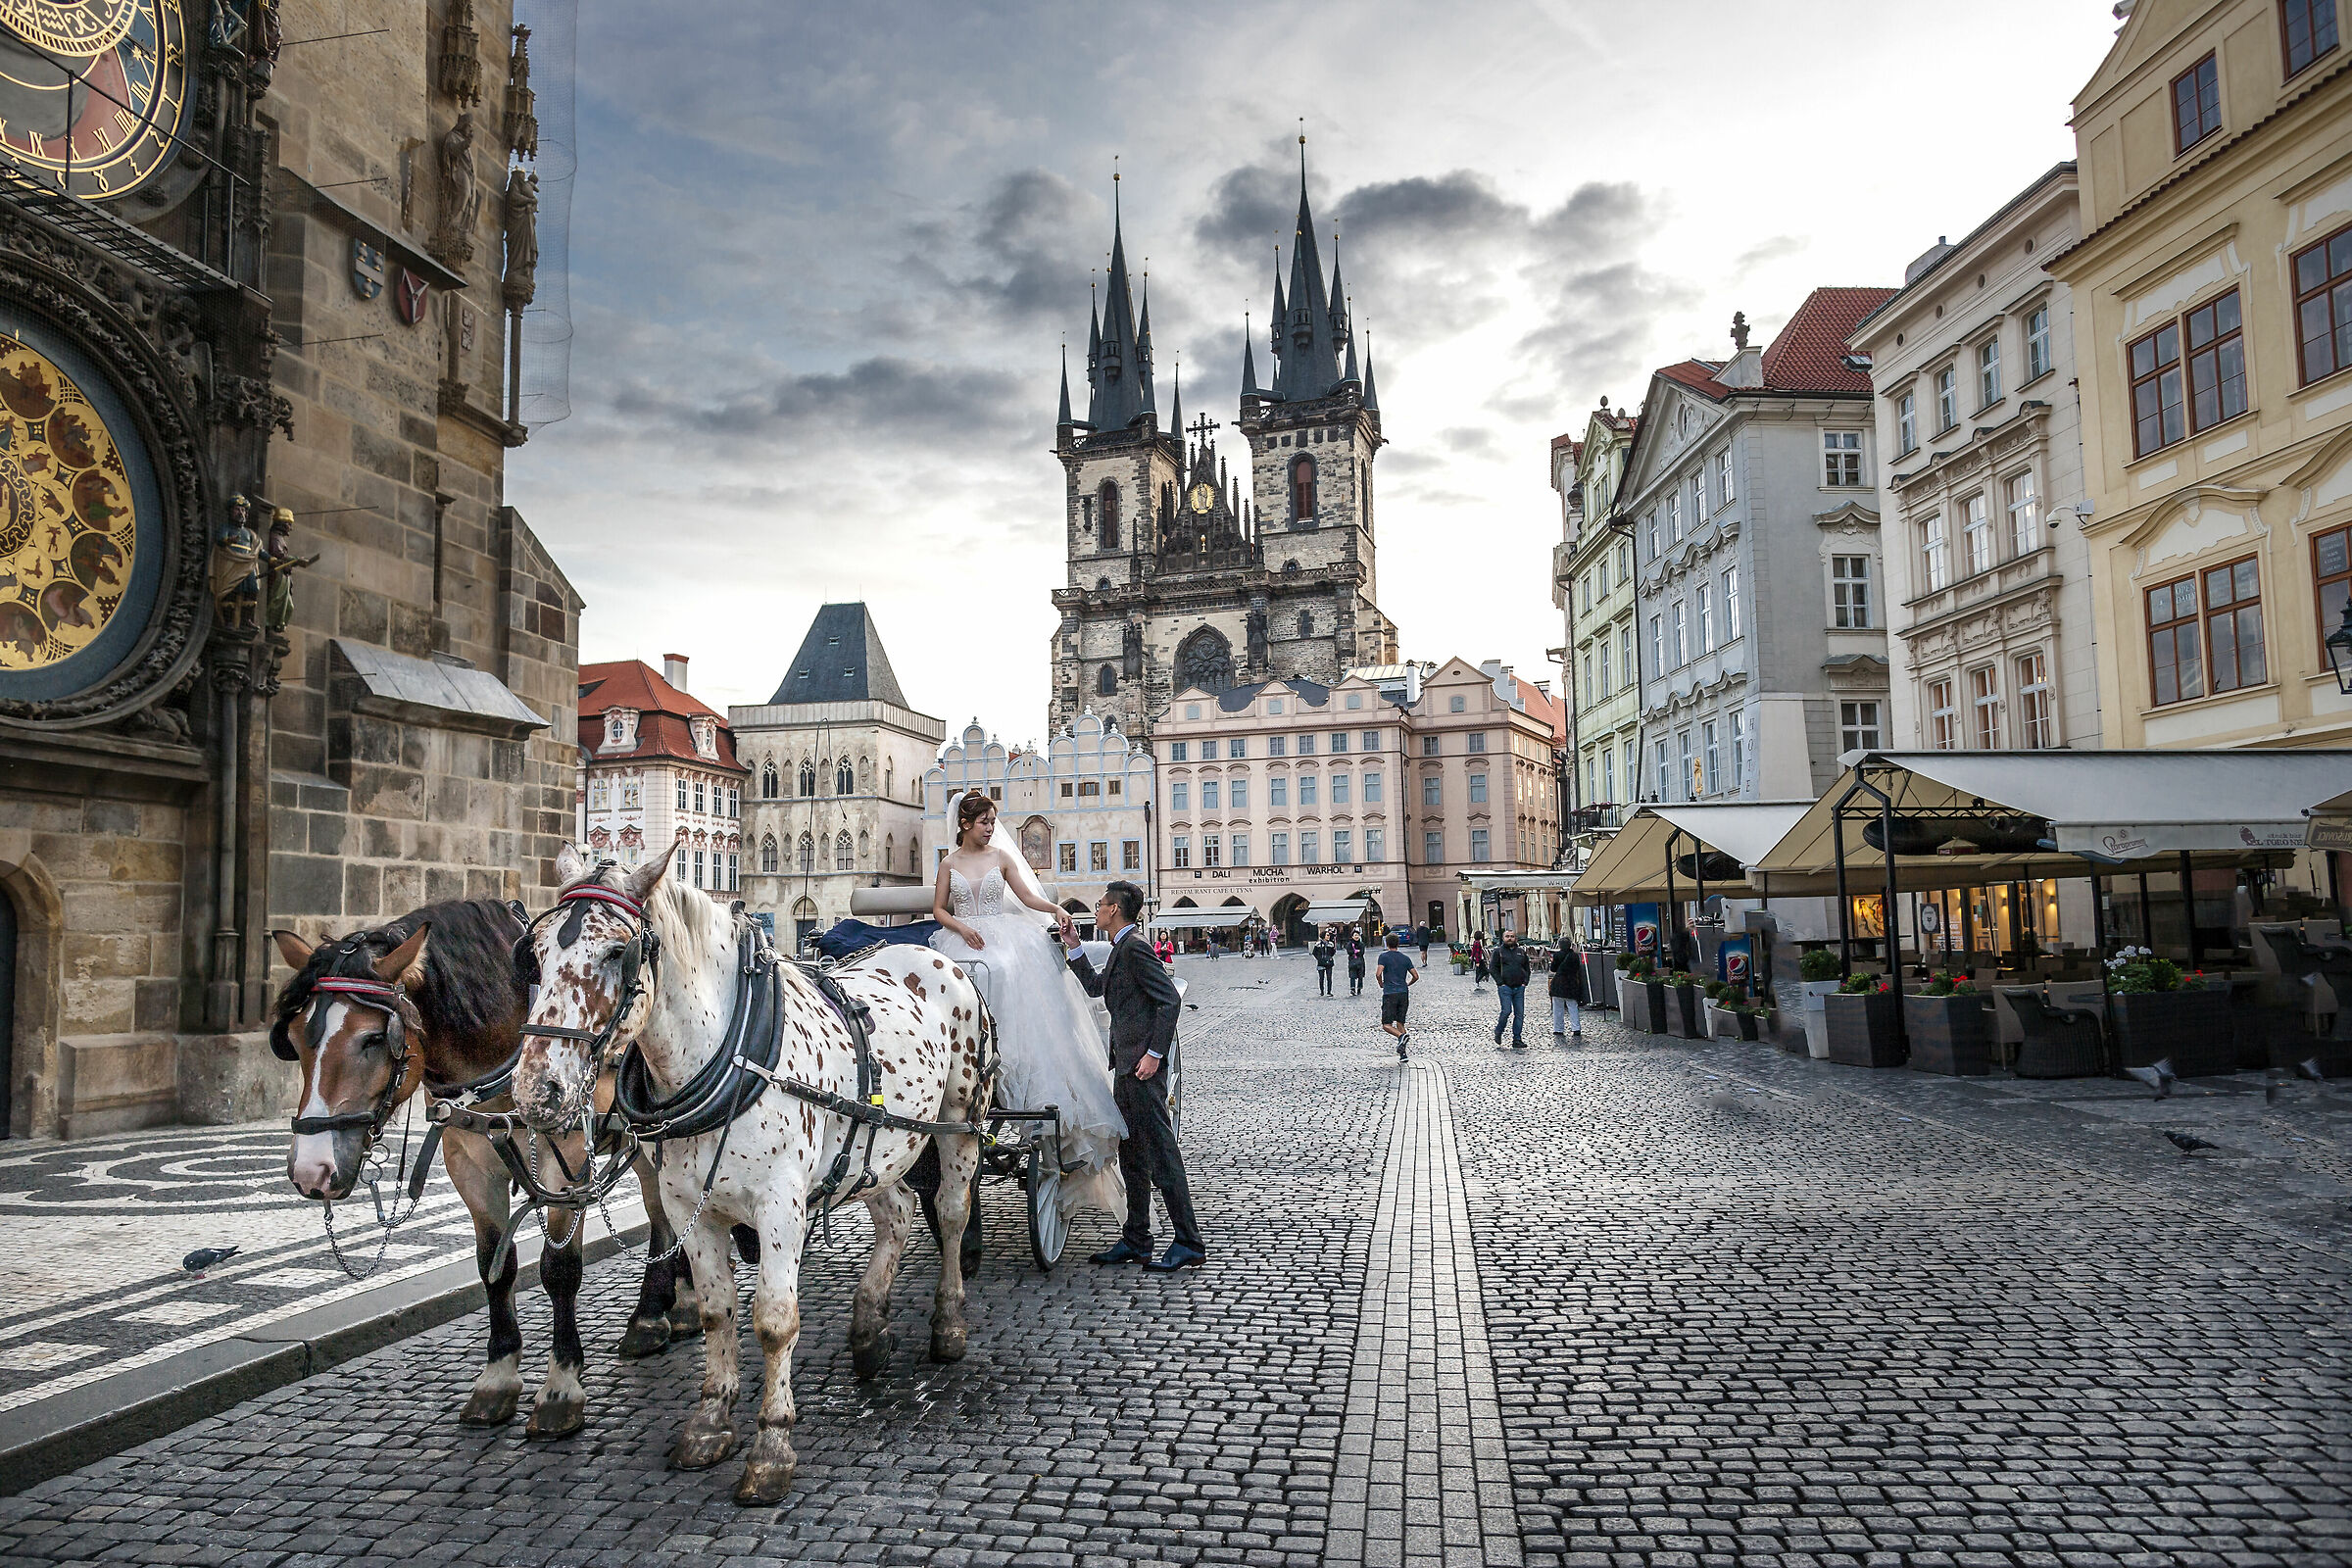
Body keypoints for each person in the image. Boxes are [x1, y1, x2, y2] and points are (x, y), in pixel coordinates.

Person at [929, 791, 1125, 1216]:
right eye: (984, 820)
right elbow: (939, 910)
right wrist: (962, 928)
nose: (990, 826)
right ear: (965, 824)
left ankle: (1006, 1054)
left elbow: (1025, 897)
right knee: (950, 977)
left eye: (992, 820)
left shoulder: (1001, 857)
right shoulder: (949, 863)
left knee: (1002, 968)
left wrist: (1054, 906)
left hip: (1002, 935)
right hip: (963, 936)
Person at [1063, 880, 1203, 1272]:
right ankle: (1137, 1239)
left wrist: (1155, 1054)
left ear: (1115, 910)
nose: (1097, 909)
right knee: (1134, 1155)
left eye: (1101, 904)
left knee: (1162, 1154)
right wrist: (1074, 945)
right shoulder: (1120, 946)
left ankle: (1189, 1242)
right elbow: (1096, 988)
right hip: (1125, 1065)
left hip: (1142, 1069)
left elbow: (1169, 999)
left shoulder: (1137, 946)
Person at [1376, 932, 1417, 1060]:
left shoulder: (1383, 957)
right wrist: (1408, 984)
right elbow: (1416, 976)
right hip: (1403, 992)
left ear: (1387, 943)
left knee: (1386, 1024)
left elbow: (1378, 973)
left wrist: (1381, 983)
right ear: (1398, 944)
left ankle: (1400, 1037)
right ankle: (1403, 1054)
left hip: (1390, 993)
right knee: (1400, 1022)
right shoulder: (1405, 958)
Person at [1490, 931, 1532, 1050]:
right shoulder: (1498, 952)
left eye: (1512, 937)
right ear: (1503, 938)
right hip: (1505, 987)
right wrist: (1500, 983)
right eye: (1507, 936)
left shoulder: (1521, 952)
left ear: (1516, 938)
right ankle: (1499, 1031)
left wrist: (1525, 982)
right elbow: (1492, 968)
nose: (1510, 938)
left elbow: (1527, 968)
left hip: (1519, 987)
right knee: (1506, 1011)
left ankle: (1517, 1039)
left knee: (1519, 1014)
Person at [1548, 937, 1588, 1041]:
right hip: (1571, 983)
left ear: (1559, 945)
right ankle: (1576, 1028)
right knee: (1572, 1006)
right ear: (1570, 945)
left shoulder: (1557, 955)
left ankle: (1558, 1028)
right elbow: (1577, 968)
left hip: (1559, 983)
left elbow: (1553, 969)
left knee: (1558, 1008)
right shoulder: (1575, 956)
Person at [1311, 930, 1337, 997]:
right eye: (1327, 935)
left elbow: (1333, 952)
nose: (1328, 936)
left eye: (1329, 935)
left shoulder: (1331, 944)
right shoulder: (1318, 944)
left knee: (1329, 977)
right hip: (1321, 963)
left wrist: (1329, 957)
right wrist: (1319, 958)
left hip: (1329, 963)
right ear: (1323, 936)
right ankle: (1322, 991)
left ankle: (1329, 991)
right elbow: (1314, 953)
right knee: (1321, 978)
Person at [1346, 932, 1366, 998]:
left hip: (1360, 961)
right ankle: (1353, 988)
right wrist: (1356, 951)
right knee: (1352, 975)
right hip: (1352, 962)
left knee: (1360, 976)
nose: (1357, 936)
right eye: (1355, 935)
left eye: (1358, 935)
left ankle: (1359, 988)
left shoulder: (1361, 944)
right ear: (1352, 936)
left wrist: (1356, 952)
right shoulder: (1349, 944)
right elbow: (1349, 952)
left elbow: (1362, 952)